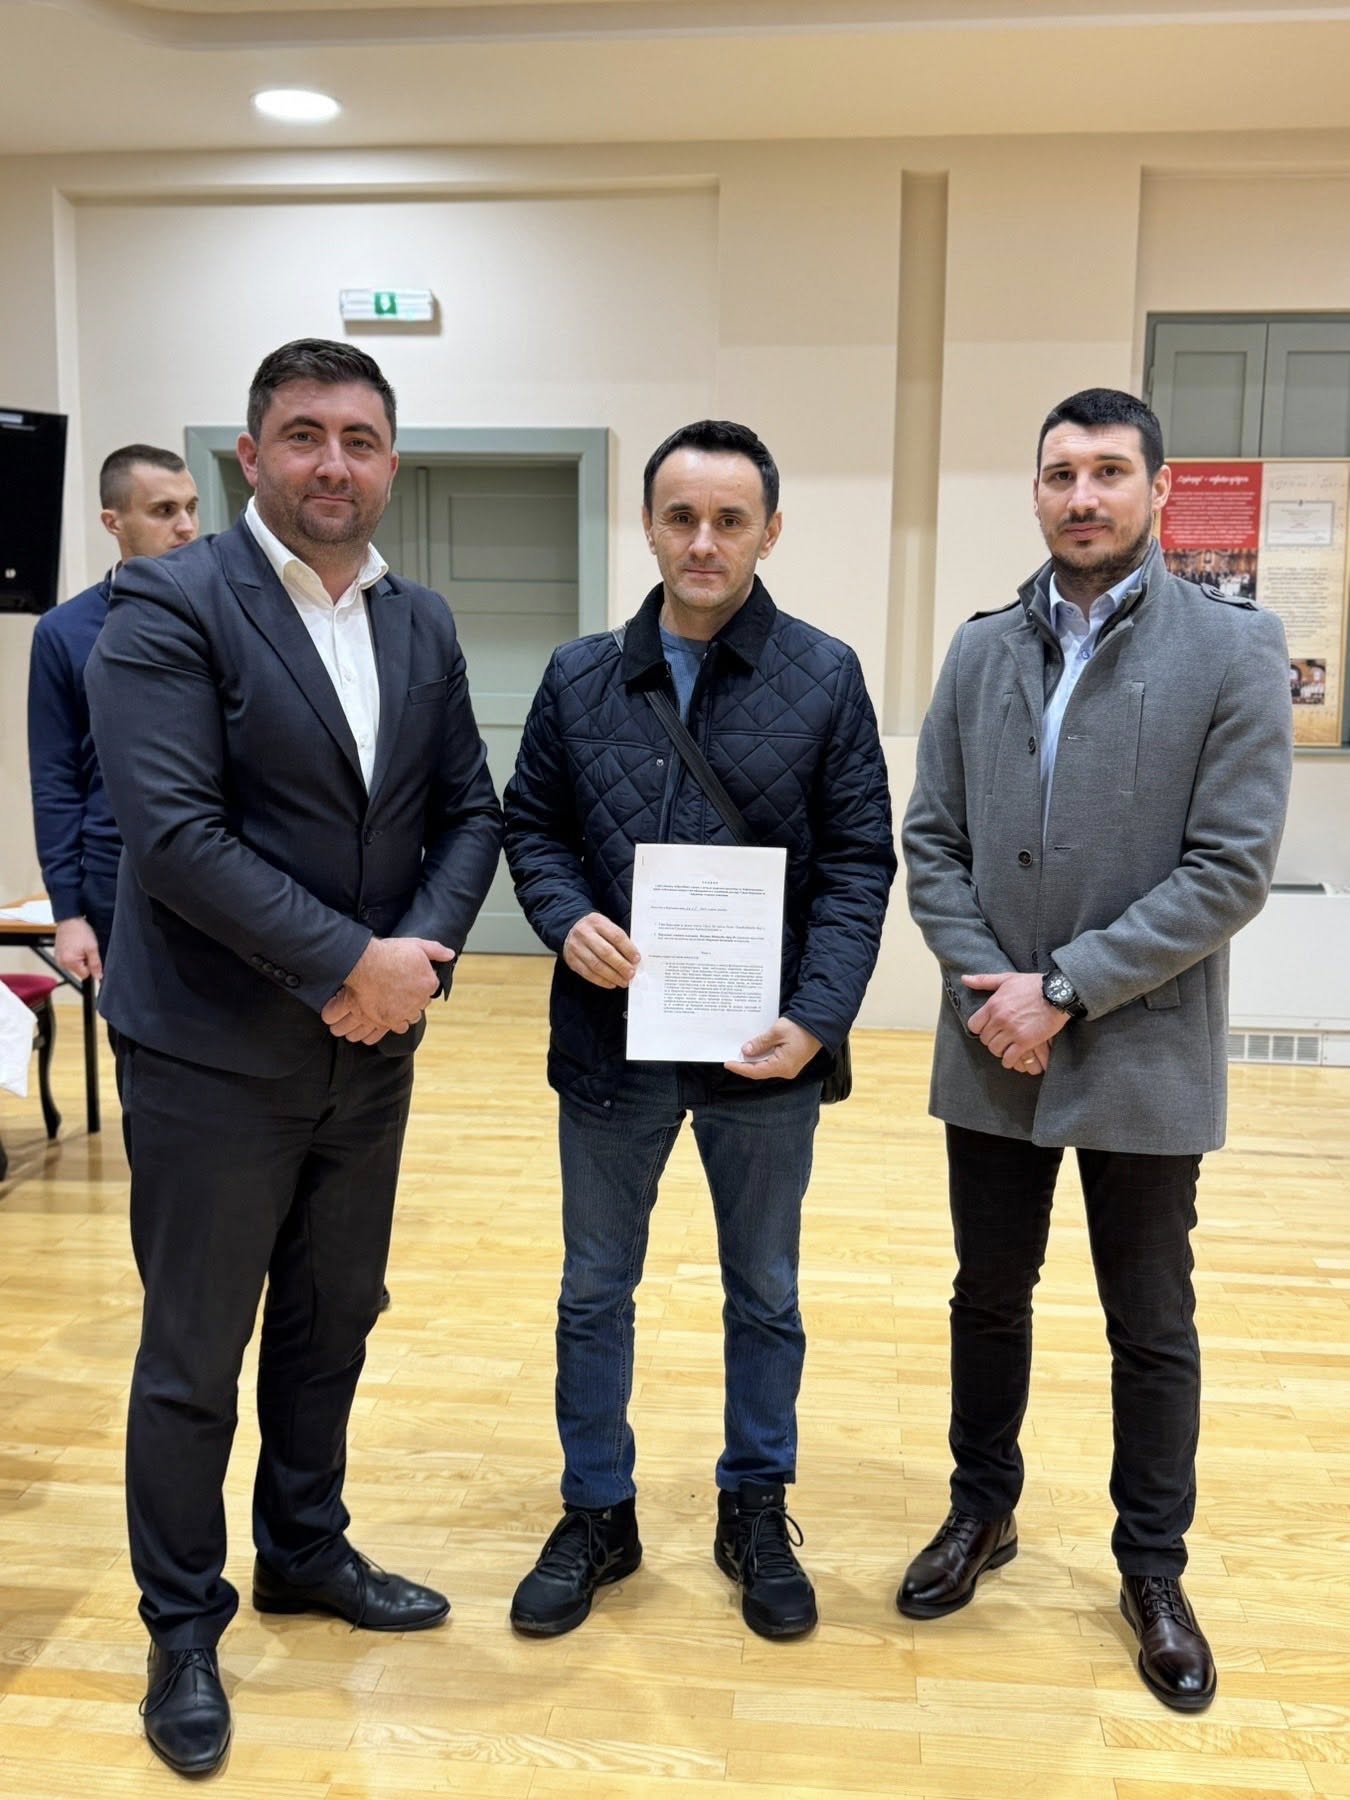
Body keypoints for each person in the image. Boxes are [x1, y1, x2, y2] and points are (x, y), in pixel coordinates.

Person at [86, 339, 502, 1776]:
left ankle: (304, 1550)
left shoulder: (420, 621)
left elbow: (470, 812)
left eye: (361, 439)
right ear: (249, 457)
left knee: (336, 1320)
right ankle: (181, 1625)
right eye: (306, 435)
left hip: (370, 1054)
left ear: (392, 463)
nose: (336, 463)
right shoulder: (167, 604)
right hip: (210, 1054)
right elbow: (175, 837)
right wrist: (348, 964)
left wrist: (415, 961)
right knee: (196, 1353)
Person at [900, 388, 1292, 1712]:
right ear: (1035, 492)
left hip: (1139, 1044)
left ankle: (1152, 1570)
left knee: (1150, 1321)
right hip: (990, 1044)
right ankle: (981, 1509)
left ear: (1157, 490)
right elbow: (932, 839)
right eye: (1060, 473)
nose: (1083, 496)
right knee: (987, 1294)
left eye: (1109, 472)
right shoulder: (979, 650)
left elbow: (1228, 869)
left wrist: (1062, 989)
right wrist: (990, 992)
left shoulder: (1234, 650)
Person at [502, 419, 895, 1643]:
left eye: (731, 520)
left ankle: (754, 1505)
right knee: (593, 1291)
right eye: (682, 517)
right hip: (610, 1041)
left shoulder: (824, 675)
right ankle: (596, 1511)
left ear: (770, 532)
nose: (704, 541)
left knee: (764, 1291)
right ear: (649, 526)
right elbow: (533, 827)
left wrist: (817, 1016)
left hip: (760, 1050)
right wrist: (564, 917)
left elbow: (859, 864)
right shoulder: (578, 676)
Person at [27, 445, 199, 979]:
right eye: (164, 510)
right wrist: (68, 912)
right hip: (115, 878)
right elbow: (55, 778)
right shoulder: (63, 632)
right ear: (113, 522)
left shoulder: (227, 615)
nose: (186, 526)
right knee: (134, 1030)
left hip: (219, 867)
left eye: (191, 507)